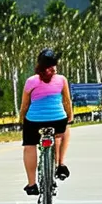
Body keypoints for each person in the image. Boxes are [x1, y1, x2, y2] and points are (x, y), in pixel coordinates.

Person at [19, 48, 73, 195]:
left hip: (34, 121)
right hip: (58, 120)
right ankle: (61, 164)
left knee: (30, 146)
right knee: (64, 131)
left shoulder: (31, 81)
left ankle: (32, 184)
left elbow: (25, 105)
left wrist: (21, 120)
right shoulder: (62, 80)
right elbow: (67, 101)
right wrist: (70, 116)